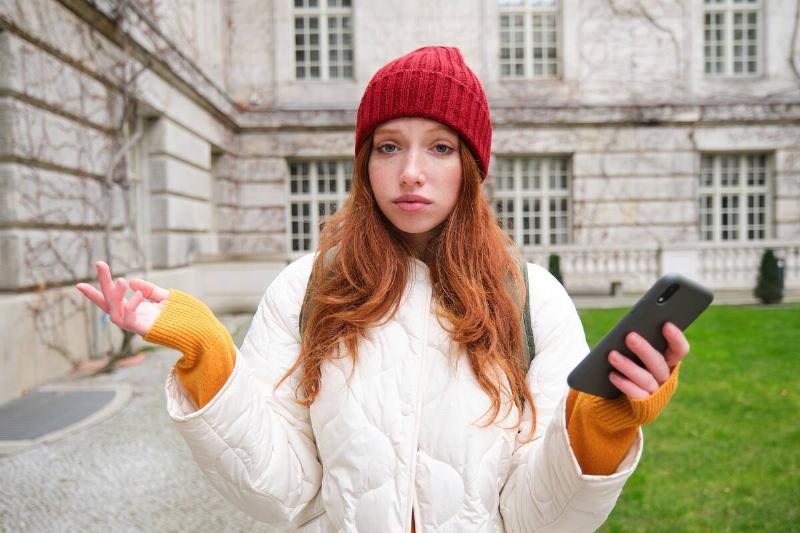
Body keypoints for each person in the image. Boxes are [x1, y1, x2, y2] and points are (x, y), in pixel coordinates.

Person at [76, 46, 689, 532]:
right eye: (389, 146)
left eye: (440, 148)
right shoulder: (306, 288)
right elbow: (280, 492)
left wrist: (602, 424)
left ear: (471, 169)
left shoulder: (534, 300)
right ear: (365, 164)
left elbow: (539, 518)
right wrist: (209, 354)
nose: (411, 172)